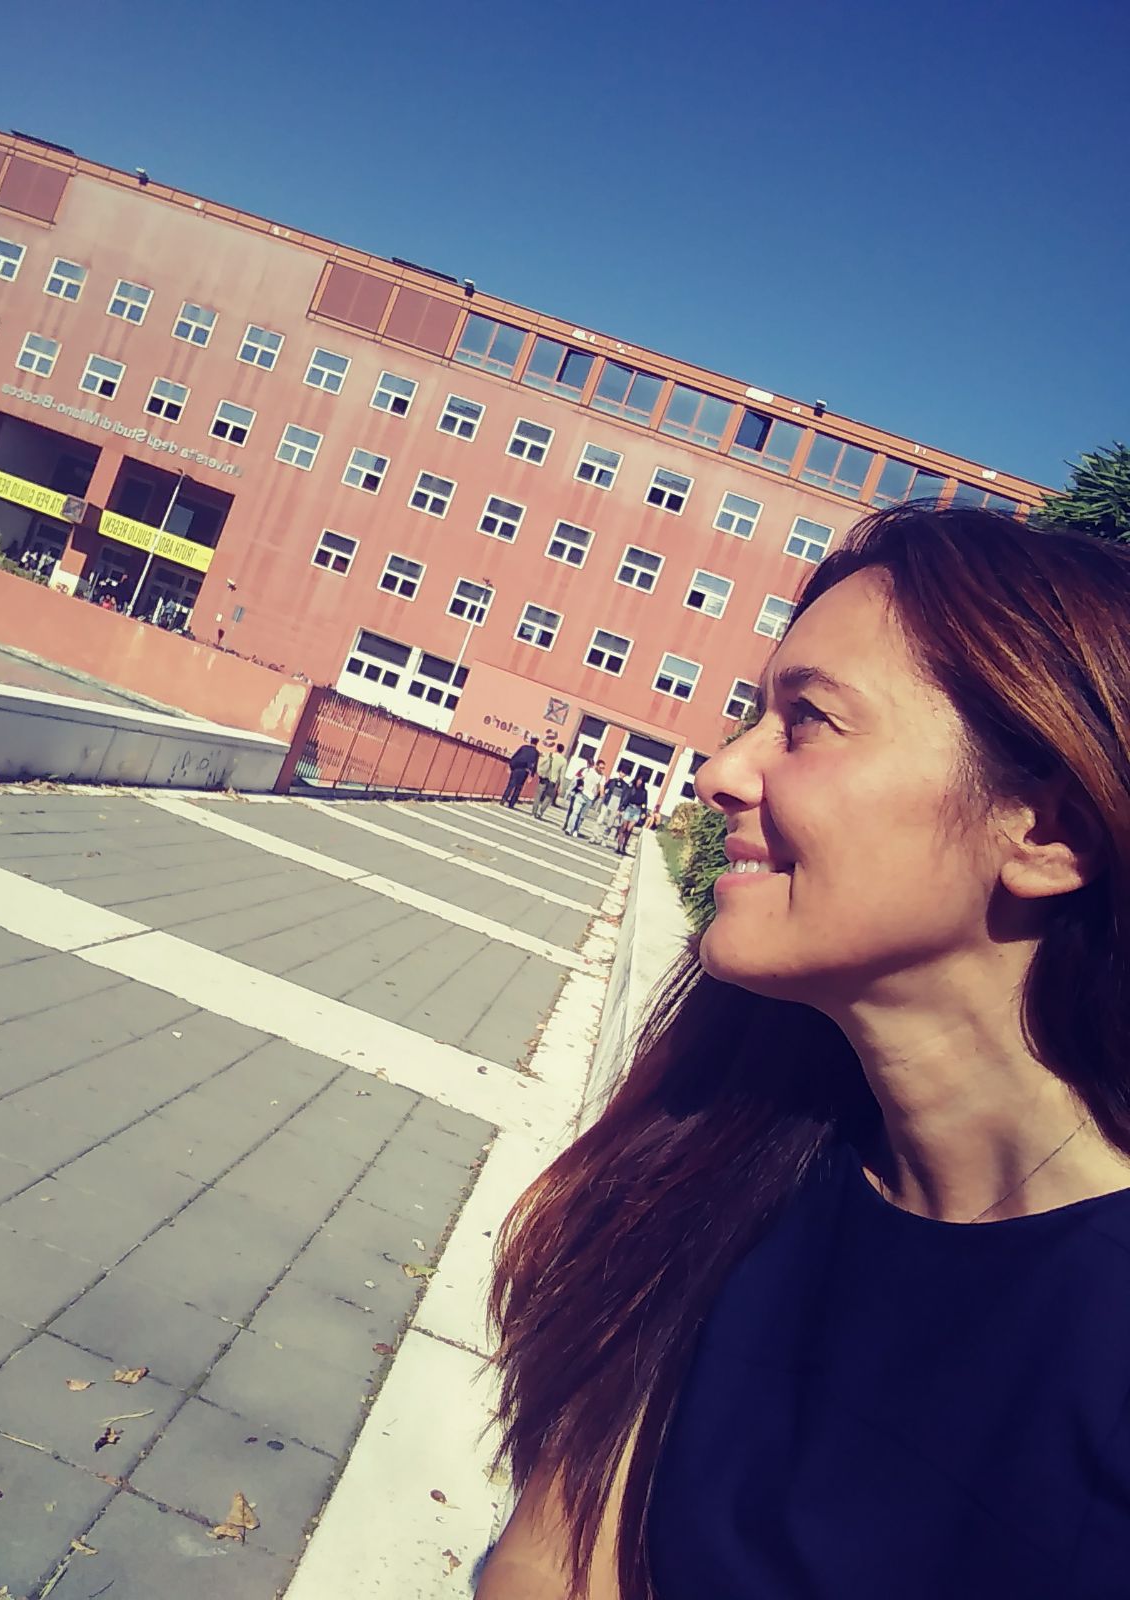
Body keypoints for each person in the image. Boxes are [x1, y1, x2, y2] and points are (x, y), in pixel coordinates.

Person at [478, 504, 1130, 1600]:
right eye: (756, 716)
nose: (722, 771)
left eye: (809, 721)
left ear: (1046, 832)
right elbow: (555, 1554)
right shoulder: (732, 1152)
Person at [563, 757, 604, 838]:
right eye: (601, 767)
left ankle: (576, 830)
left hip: (590, 798)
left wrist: (600, 795)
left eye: (603, 768)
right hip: (581, 795)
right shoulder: (588, 770)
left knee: (581, 816)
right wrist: (579, 786)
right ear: (596, 766)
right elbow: (579, 779)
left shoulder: (602, 777)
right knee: (575, 812)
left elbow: (602, 788)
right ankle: (569, 828)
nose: (602, 770)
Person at [614, 774, 649, 855]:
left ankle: (624, 846)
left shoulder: (644, 792)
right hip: (629, 808)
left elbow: (644, 803)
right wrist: (621, 808)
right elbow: (625, 798)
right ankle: (619, 846)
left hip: (637, 810)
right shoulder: (631, 788)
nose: (639, 782)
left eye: (641, 781)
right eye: (639, 780)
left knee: (629, 829)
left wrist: (643, 812)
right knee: (624, 828)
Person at [502, 735, 539, 808]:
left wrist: (510, 765)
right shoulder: (536, 753)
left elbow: (515, 756)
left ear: (531, 740)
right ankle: (512, 803)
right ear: (537, 743)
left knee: (510, 785)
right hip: (525, 771)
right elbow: (535, 764)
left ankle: (504, 798)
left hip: (516, 768)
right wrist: (531, 775)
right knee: (518, 788)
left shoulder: (523, 747)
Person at [533, 741, 567, 819]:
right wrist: (561, 785)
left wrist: (539, 771)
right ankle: (541, 811)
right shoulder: (563, 761)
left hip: (545, 777)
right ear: (562, 751)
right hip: (553, 781)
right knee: (548, 797)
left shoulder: (550, 755)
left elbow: (542, 763)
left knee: (538, 794)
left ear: (556, 748)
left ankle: (534, 811)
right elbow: (562, 774)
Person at [597, 771, 629, 843]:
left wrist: (621, 808)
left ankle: (604, 839)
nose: (622, 774)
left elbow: (625, 798)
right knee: (601, 819)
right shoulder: (612, 781)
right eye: (621, 772)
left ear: (625, 775)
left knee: (610, 823)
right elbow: (604, 788)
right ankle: (596, 835)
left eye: (624, 773)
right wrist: (600, 797)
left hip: (617, 804)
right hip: (608, 801)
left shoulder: (625, 786)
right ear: (619, 772)